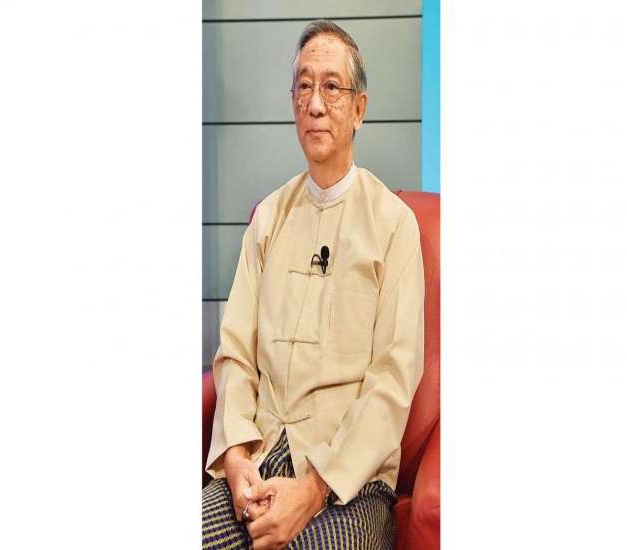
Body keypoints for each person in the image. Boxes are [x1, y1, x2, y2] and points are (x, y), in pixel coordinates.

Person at [202, 19, 425, 550]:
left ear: (359, 108)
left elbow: (392, 380)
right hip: (260, 459)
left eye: (332, 86)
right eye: (304, 86)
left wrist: (312, 489)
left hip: (351, 482)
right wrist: (235, 458)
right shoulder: (269, 218)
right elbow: (235, 353)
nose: (316, 104)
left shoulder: (393, 225)